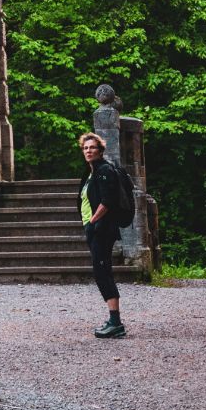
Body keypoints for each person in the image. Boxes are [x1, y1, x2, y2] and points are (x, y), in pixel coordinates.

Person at [78, 131, 127, 338]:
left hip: (102, 229)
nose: (89, 151)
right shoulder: (91, 173)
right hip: (95, 229)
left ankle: (115, 323)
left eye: (92, 148)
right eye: (85, 148)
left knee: (102, 272)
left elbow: (107, 201)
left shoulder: (105, 170)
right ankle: (113, 320)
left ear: (100, 150)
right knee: (102, 272)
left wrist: (93, 221)